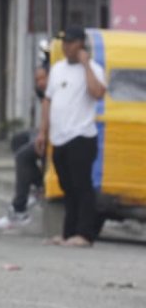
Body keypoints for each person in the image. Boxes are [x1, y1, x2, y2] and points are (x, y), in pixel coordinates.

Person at [36, 26, 107, 247]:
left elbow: (98, 93)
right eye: (64, 43)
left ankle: (85, 234)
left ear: (80, 44)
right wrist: (43, 131)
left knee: (82, 185)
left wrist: (86, 64)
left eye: (71, 43)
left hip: (82, 135)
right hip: (59, 136)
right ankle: (68, 233)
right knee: (67, 186)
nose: (67, 47)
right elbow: (48, 100)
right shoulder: (57, 69)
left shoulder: (93, 68)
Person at [0, 65, 50, 230]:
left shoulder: (55, 92)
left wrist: (42, 134)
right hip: (42, 133)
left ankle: (20, 208)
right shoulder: (44, 95)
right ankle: (40, 184)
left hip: (54, 136)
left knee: (22, 156)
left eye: (43, 79)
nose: (40, 83)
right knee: (18, 140)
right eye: (37, 80)